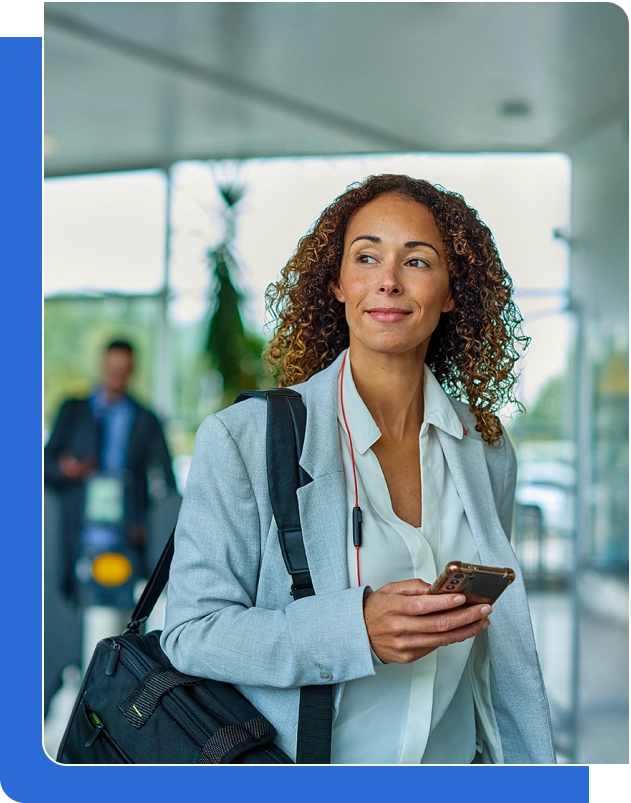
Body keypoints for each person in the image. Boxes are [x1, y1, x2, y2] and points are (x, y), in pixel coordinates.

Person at [161, 175, 556, 764]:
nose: (389, 281)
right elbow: (191, 632)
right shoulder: (241, 440)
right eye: (366, 257)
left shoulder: (487, 449)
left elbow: (491, 647)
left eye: (417, 261)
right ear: (338, 284)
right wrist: (354, 630)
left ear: (452, 292)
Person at [45, 339, 177, 607]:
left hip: (128, 531)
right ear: (101, 367)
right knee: (73, 608)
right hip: (78, 528)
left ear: (132, 371)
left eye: (122, 369)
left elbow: (166, 480)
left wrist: (150, 521)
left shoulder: (146, 419)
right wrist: (66, 468)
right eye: (111, 369)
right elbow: (45, 464)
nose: (116, 376)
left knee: (126, 608)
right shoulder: (72, 411)